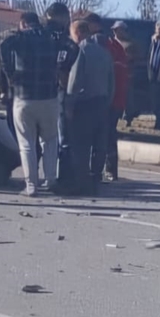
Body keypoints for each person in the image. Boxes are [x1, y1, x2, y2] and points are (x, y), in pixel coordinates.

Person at [0, 12, 61, 196]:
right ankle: (51, 180)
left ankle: (31, 185)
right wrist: (61, 69)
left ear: (23, 23)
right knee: (50, 140)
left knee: (26, 143)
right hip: (49, 96)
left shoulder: (19, 38)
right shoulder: (51, 37)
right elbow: (72, 47)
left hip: (23, 96)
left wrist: (9, 71)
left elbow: (2, 41)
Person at [63, 19, 115, 195]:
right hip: (102, 102)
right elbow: (111, 82)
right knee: (99, 144)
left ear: (77, 33)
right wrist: (107, 102)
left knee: (81, 145)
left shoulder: (81, 51)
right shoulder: (105, 53)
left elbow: (75, 80)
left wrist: (69, 104)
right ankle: (95, 178)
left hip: (84, 104)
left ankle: (82, 182)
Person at [84, 13, 128, 182]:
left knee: (104, 135)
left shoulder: (102, 45)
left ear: (94, 25)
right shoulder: (114, 46)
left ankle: (102, 169)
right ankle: (109, 169)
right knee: (108, 134)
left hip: (107, 98)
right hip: (113, 98)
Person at [44, 3, 79, 189]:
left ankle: (33, 178)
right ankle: (60, 177)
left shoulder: (39, 39)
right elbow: (67, 72)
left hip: (35, 92)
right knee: (60, 137)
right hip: (58, 93)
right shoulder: (68, 44)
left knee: (36, 140)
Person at [114, 21, 145, 128]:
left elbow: (139, 56)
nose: (116, 32)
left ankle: (128, 117)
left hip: (127, 73)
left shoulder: (131, 44)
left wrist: (130, 58)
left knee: (127, 96)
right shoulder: (111, 43)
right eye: (115, 30)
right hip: (113, 73)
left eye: (118, 30)